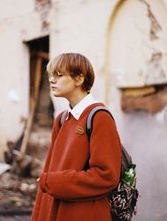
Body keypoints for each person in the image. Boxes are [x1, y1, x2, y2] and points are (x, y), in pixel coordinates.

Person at [31, 53, 122, 221]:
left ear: (79, 79)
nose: (52, 80)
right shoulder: (62, 119)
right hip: (55, 210)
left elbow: (106, 176)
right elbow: (49, 172)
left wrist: (54, 183)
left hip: (85, 213)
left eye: (58, 75)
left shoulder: (99, 117)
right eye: (51, 75)